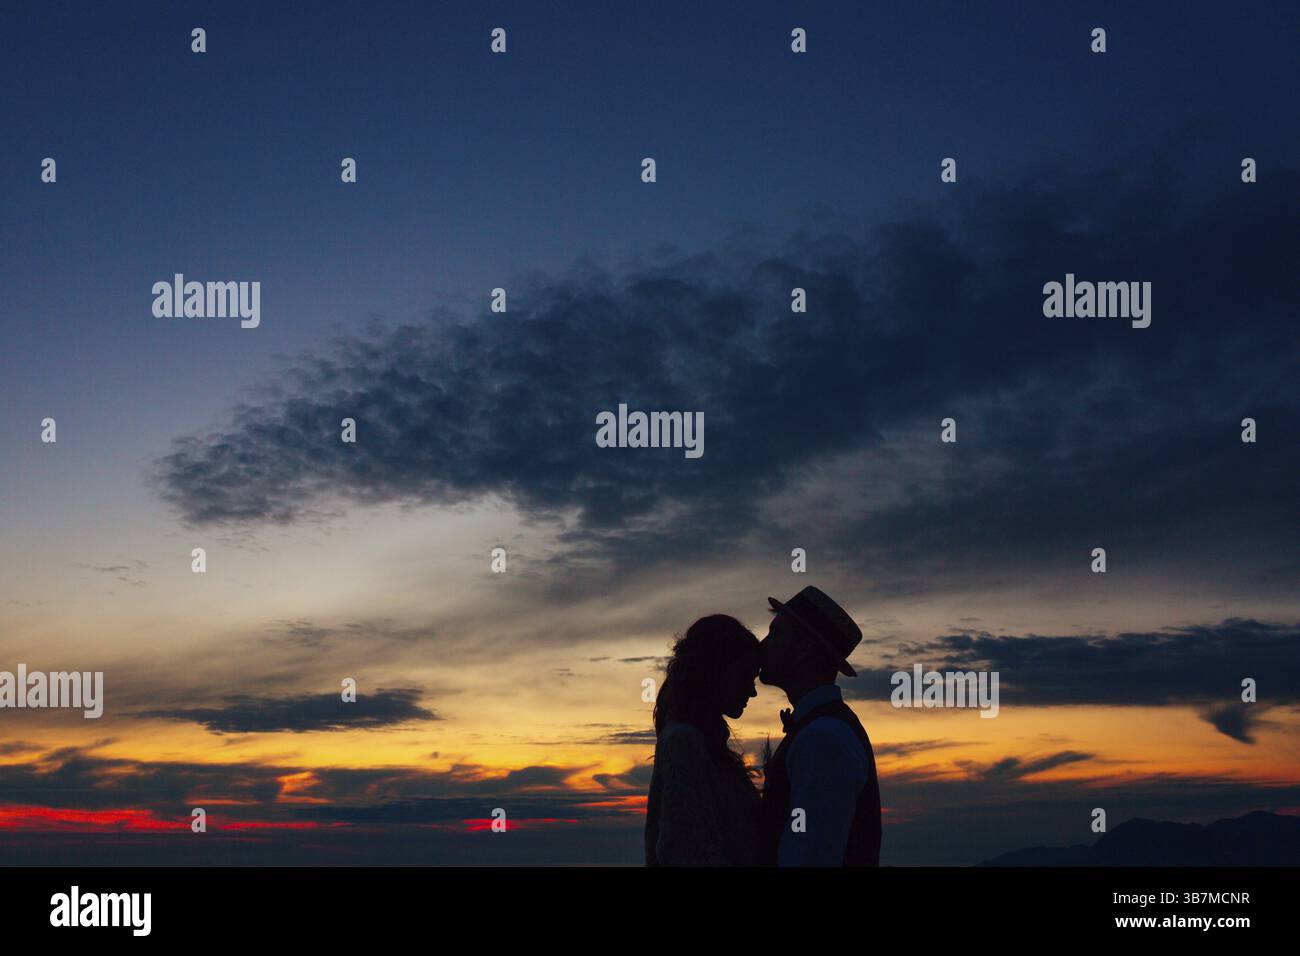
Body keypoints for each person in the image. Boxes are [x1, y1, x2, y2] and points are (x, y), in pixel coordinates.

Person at [757, 586, 882, 866]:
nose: (762, 645)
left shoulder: (823, 737)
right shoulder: (824, 730)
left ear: (805, 649)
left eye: (775, 634)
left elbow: (808, 856)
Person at [644, 614, 762, 865]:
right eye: (746, 675)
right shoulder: (683, 742)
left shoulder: (695, 740)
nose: (752, 691)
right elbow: (684, 850)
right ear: (717, 671)